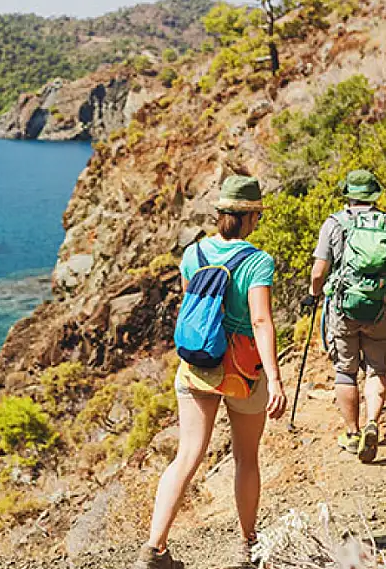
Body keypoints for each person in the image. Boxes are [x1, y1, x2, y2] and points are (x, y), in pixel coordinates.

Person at [132, 176, 287, 569]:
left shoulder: (193, 253)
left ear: (220, 215)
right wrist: (276, 378)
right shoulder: (258, 261)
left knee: (186, 455)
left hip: (198, 366)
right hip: (242, 372)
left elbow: (193, 305)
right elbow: (261, 320)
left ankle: (155, 548)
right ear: (252, 217)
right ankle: (247, 548)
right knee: (245, 459)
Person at [303, 169, 386, 463]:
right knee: (376, 370)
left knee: (345, 371)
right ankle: (372, 424)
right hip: (379, 306)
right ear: (374, 196)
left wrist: (313, 295)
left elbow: (318, 272)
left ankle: (353, 434)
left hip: (343, 307)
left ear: (349, 195)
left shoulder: (334, 223)